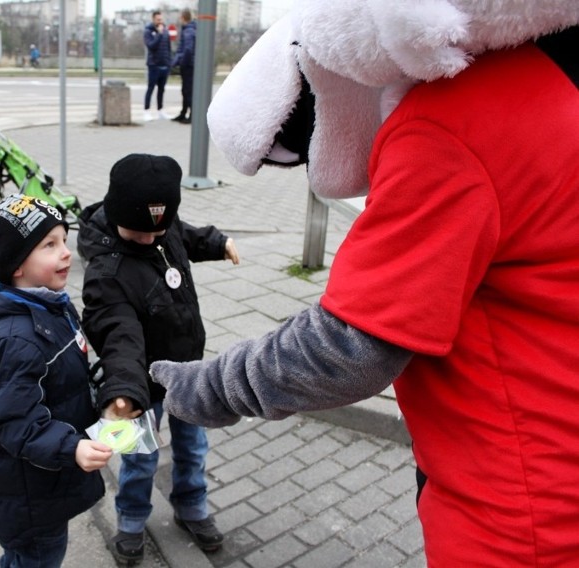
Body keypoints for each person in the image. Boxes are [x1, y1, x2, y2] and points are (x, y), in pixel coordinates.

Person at [150, 9, 579, 567]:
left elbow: (348, 347)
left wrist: (208, 387)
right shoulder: (551, 78)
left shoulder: (448, 121)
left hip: (523, 509)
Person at [77, 154, 240, 565]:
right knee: (138, 457)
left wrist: (218, 243)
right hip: (138, 385)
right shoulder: (106, 272)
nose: (151, 240)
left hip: (188, 370)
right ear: (116, 215)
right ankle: (131, 522)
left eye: (159, 231)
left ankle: (191, 505)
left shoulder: (162, 231)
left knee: (193, 445)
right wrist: (122, 393)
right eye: (139, 234)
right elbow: (119, 336)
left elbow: (184, 236)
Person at [0, 194, 111, 568]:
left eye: (64, 239)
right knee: (37, 557)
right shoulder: (15, 339)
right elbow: (16, 422)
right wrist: (72, 448)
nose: (66, 252)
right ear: (16, 265)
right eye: (50, 245)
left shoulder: (48, 303)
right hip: (29, 489)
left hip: (44, 476)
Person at [142, 11, 171, 122]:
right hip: (154, 65)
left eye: (161, 19)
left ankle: (160, 110)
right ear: (153, 19)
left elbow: (168, 48)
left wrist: (169, 63)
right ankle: (146, 111)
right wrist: (158, 34)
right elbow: (151, 46)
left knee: (161, 89)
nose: (160, 21)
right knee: (150, 88)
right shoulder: (148, 31)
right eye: (158, 19)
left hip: (164, 65)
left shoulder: (165, 31)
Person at [171, 9, 196, 124]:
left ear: (183, 18)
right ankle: (184, 112)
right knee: (185, 90)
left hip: (188, 65)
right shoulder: (189, 30)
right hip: (189, 64)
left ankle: (191, 115)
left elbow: (187, 50)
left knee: (187, 90)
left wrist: (180, 63)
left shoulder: (188, 31)